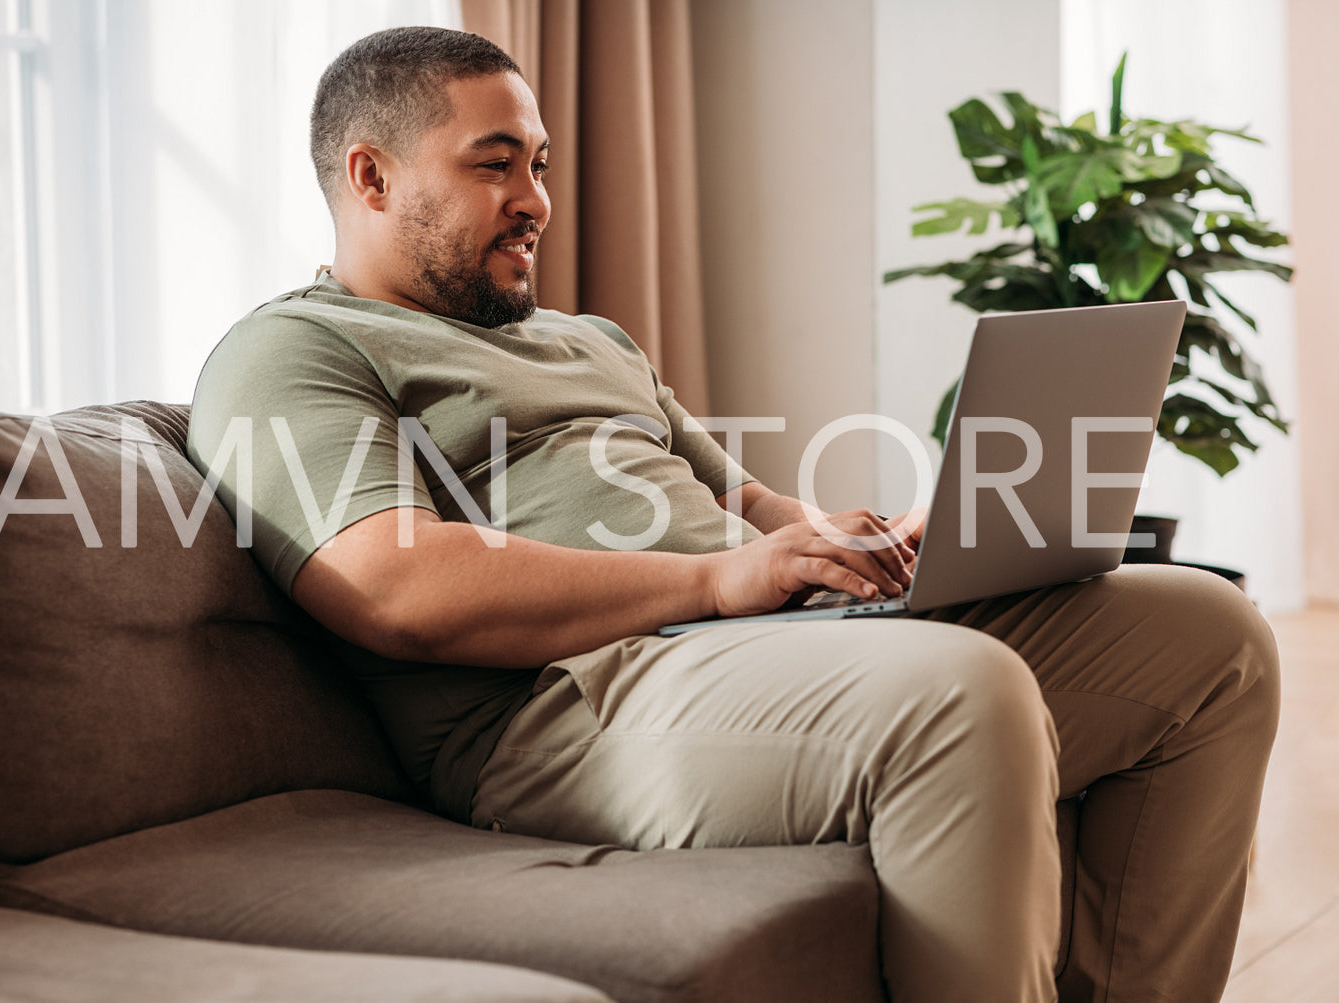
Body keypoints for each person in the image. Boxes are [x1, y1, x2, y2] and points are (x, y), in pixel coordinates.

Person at [187, 25, 1279, 1003]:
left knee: (1207, 638)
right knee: (959, 692)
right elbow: (393, 585)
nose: (535, 198)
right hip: (560, 706)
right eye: (493, 165)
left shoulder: (589, 339)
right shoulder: (292, 350)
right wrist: (716, 582)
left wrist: (847, 545)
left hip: (750, 644)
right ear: (368, 175)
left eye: (540, 164)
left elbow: (742, 506)